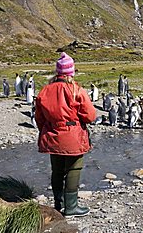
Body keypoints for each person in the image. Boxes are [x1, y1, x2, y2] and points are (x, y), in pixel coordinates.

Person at [35, 52, 96, 217]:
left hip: (52, 136)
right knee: (73, 168)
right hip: (72, 137)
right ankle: (71, 207)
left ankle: (58, 204)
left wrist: (48, 130)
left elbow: (39, 118)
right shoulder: (76, 90)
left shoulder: (45, 90)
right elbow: (90, 116)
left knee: (57, 170)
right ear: (71, 72)